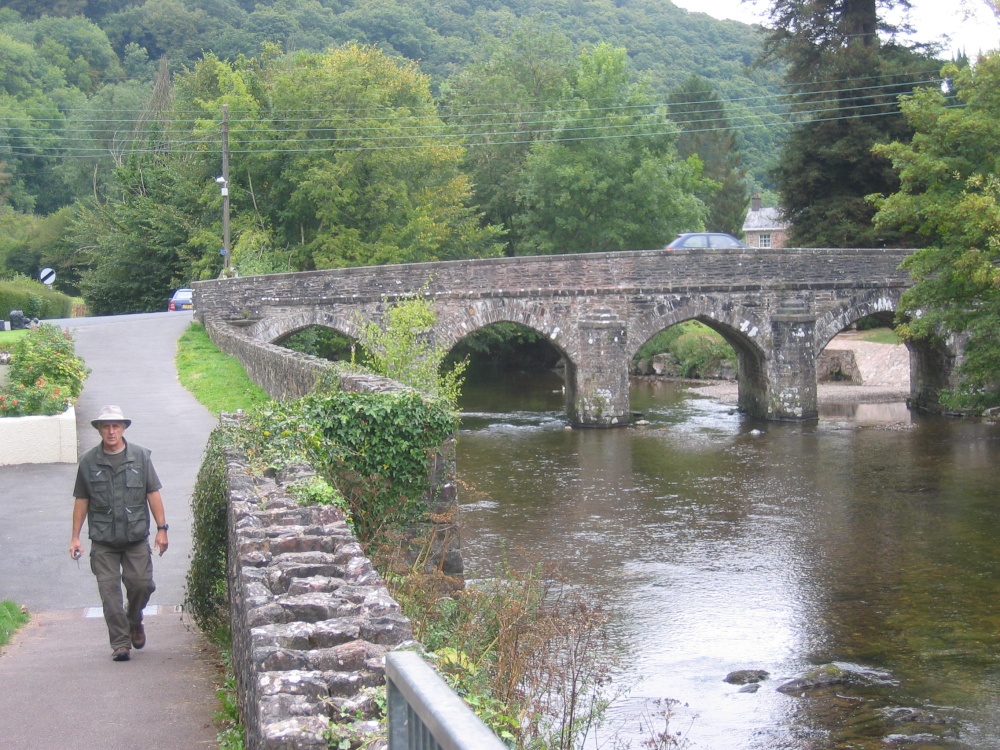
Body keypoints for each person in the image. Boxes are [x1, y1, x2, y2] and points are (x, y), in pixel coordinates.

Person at [69, 405, 169, 662]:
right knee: (109, 594)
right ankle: (120, 643)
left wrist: (162, 529)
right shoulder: (89, 462)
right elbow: (82, 499)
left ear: (123, 428)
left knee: (141, 585)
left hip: (135, 537)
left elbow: (152, 493)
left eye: (116, 426)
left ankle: (134, 619)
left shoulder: (141, 457)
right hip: (103, 540)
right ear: (100, 430)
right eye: (106, 426)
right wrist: (75, 537)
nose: (111, 431)